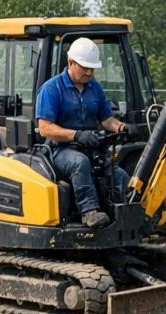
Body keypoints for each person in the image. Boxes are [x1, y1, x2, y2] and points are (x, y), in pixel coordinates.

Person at [35, 37, 129, 228]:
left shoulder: (94, 88)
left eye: (92, 68)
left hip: (90, 148)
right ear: (70, 62)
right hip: (60, 150)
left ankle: (127, 213)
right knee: (80, 163)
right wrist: (77, 135)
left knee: (118, 174)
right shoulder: (52, 89)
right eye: (85, 67)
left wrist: (120, 127)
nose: (89, 72)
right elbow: (45, 128)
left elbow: (106, 119)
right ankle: (89, 212)